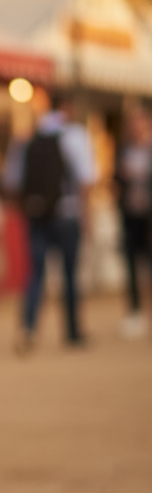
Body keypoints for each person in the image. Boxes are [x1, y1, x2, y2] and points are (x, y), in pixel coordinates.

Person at [4, 92, 97, 350]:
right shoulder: (75, 136)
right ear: (67, 106)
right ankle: (72, 330)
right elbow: (85, 180)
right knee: (69, 273)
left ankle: (29, 327)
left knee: (35, 273)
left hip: (36, 215)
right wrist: (87, 218)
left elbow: (11, 182)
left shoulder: (26, 137)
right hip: (67, 214)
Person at [115, 106, 152, 336]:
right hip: (129, 216)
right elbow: (114, 179)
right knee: (131, 266)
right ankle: (135, 312)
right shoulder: (123, 151)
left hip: (149, 216)